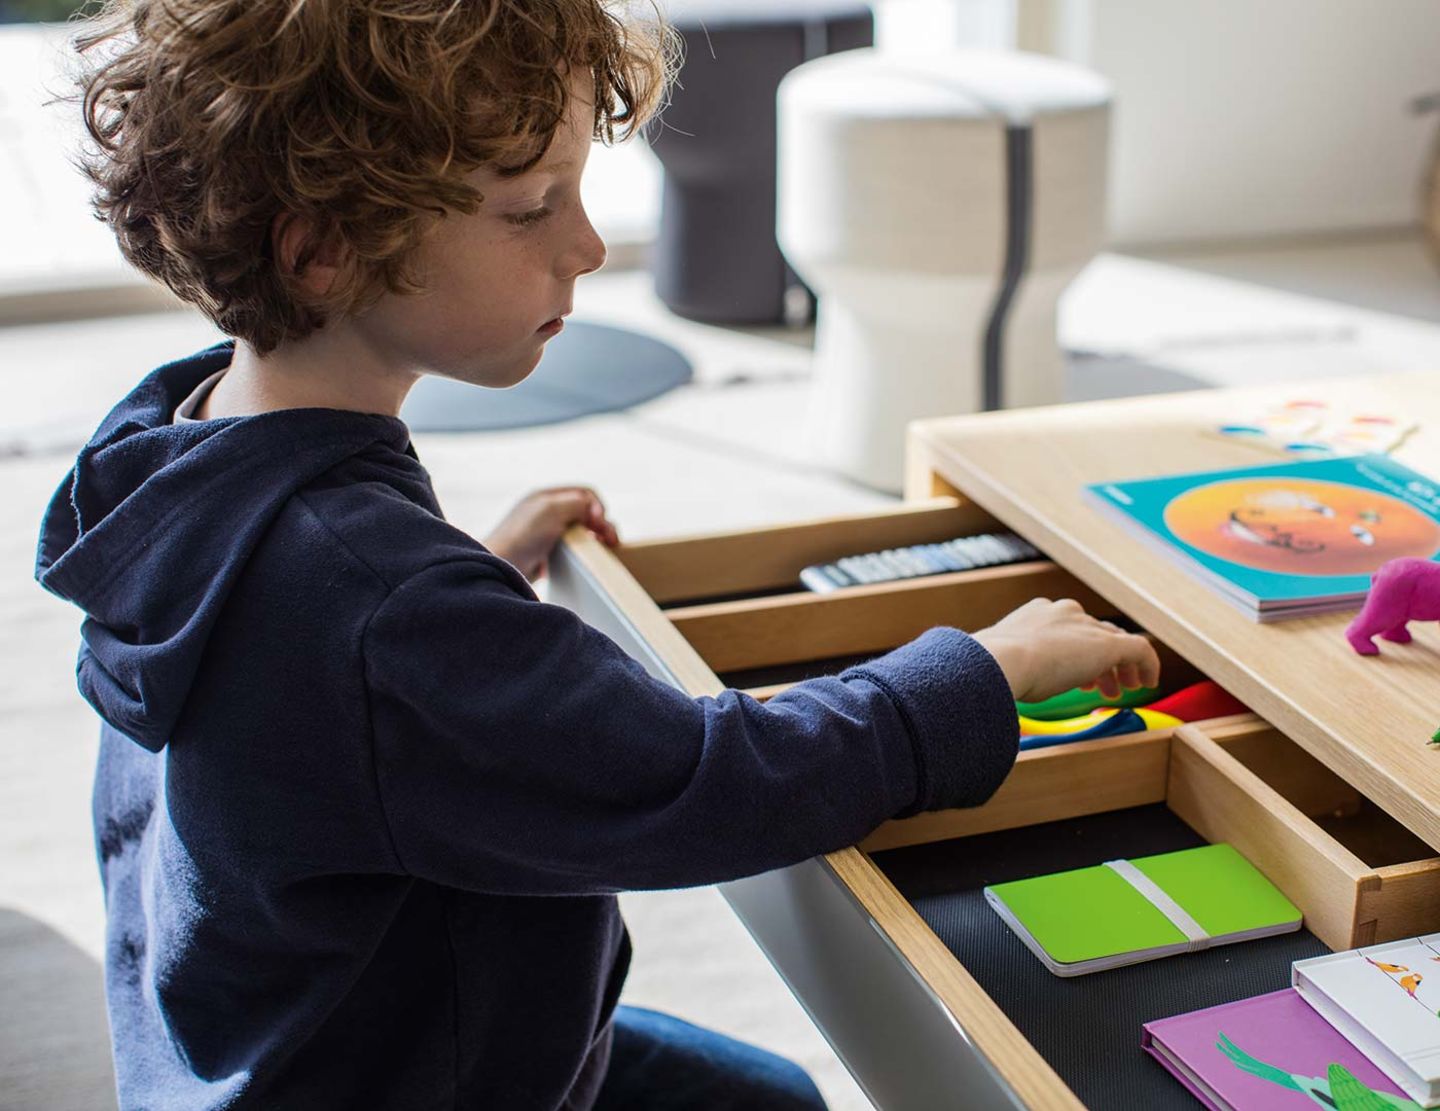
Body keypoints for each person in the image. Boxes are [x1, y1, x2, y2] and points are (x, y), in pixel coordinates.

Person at [34, 1, 1162, 1107]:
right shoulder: (382, 615)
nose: (587, 246)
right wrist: (985, 668)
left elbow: (312, 666)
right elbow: (706, 783)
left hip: (272, 1029)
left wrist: (461, 574)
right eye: (531, 209)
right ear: (326, 253)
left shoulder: (174, 449)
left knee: (766, 1095)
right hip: (404, 1070)